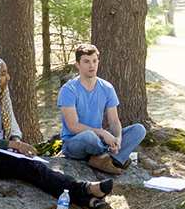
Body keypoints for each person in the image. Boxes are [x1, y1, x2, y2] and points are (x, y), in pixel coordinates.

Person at [0, 56, 115, 209]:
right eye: (2, 74)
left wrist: (15, 142)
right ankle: (84, 189)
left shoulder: (1, 97)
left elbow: (12, 127)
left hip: (4, 150)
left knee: (35, 167)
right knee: (31, 167)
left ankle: (85, 198)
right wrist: (16, 145)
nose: (8, 77)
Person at [57, 43, 147, 173]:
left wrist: (118, 139)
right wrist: (103, 133)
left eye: (94, 61)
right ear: (78, 65)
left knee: (139, 129)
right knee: (89, 136)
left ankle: (106, 158)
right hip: (75, 143)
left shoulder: (107, 87)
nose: (91, 65)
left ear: (98, 62)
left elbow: (114, 120)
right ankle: (113, 157)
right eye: (86, 62)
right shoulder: (68, 90)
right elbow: (73, 126)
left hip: (98, 141)